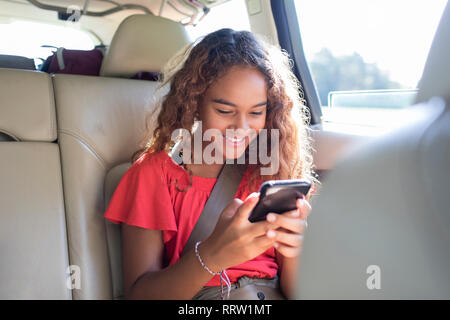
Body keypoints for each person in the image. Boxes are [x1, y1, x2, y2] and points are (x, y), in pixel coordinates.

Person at [103, 28, 318, 300]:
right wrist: (212, 256)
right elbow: (140, 295)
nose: (241, 127)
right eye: (224, 111)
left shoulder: (272, 172)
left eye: (256, 112)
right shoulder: (154, 174)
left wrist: (296, 250)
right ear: (194, 103)